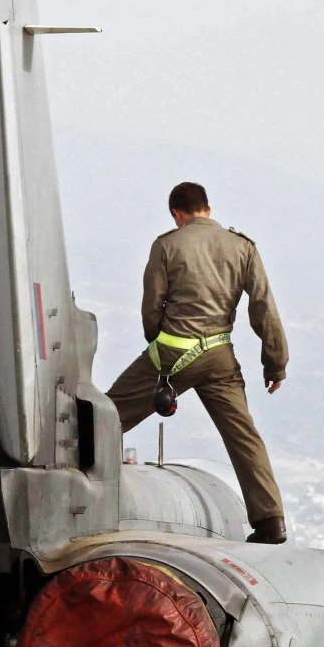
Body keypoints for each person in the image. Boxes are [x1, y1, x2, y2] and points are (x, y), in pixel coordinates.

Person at [107, 181, 288, 544]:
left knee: (103, 419)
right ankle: (271, 521)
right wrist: (275, 363)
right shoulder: (242, 247)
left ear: (177, 214)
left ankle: (75, 503)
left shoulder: (166, 245)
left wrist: (157, 346)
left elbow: (152, 306)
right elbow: (263, 308)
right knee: (243, 436)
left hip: (171, 354)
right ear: (208, 209)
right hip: (219, 357)